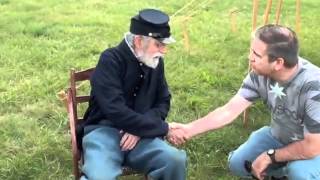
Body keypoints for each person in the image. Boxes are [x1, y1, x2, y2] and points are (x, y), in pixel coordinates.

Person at [169, 24, 320, 180]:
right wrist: (189, 129)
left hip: (315, 148)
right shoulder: (260, 74)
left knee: (300, 173)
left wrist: (270, 156)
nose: (250, 57)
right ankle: (280, 173)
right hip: (280, 136)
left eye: (256, 54)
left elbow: (312, 147)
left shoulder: (314, 87)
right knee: (239, 163)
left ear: (278, 63)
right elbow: (229, 110)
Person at [79, 9, 186, 180]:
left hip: (142, 136)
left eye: (164, 45)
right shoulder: (110, 59)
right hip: (104, 131)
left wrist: (139, 130)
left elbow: (163, 101)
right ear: (138, 41)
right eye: (158, 44)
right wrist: (163, 128)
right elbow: (115, 110)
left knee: (175, 160)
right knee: (99, 176)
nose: (163, 51)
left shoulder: (155, 61)